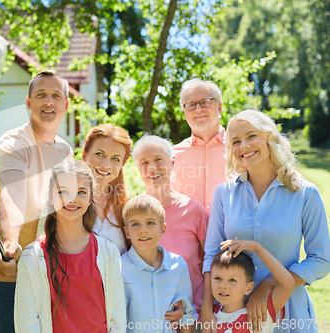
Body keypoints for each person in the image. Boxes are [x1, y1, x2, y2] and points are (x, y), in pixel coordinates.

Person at [202, 110, 330, 333]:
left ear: (269, 137)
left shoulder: (305, 193)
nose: (244, 146)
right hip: (233, 314)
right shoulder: (224, 194)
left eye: (251, 136)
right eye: (236, 141)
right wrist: (206, 307)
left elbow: (321, 259)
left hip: (288, 309)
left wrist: (271, 284)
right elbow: (212, 254)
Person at [0, 70, 73, 333]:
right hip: (7, 273)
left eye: (56, 95)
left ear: (66, 104)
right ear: (29, 103)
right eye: (41, 95)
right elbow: (12, 193)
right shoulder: (14, 144)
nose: (48, 101)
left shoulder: (65, 151)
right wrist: (10, 243)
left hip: (44, 271)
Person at [14, 160, 126, 332]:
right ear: (51, 197)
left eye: (81, 191)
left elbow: (117, 318)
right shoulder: (32, 258)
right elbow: (27, 323)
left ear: (90, 198)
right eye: (63, 191)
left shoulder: (108, 252)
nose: (72, 199)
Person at [132, 134, 210, 316]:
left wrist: (207, 307)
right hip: (149, 319)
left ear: (172, 163)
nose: (152, 167)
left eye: (158, 159)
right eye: (144, 162)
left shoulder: (194, 210)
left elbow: (212, 262)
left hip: (194, 317)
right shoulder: (132, 213)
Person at [121, 194, 197, 333]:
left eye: (150, 222)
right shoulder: (120, 269)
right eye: (135, 224)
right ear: (126, 232)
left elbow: (186, 314)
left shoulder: (178, 266)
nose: (143, 229)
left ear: (162, 229)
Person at [209, 237, 295, 333]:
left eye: (232, 280)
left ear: (248, 288)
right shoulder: (209, 316)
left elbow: (288, 283)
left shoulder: (261, 314)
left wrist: (257, 248)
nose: (223, 285)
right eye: (217, 278)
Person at [172, 78, 227, 211]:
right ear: (184, 113)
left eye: (205, 102)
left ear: (219, 107)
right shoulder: (171, 156)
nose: (198, 109)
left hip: (231, 232)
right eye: (191, 105)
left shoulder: (240, 149)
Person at [81, 124, 132, 254]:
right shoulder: (65, 198)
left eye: (115, 159)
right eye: (99, 154)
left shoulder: (127, 207)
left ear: (122, 164)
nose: (105, 165)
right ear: (84, 155)